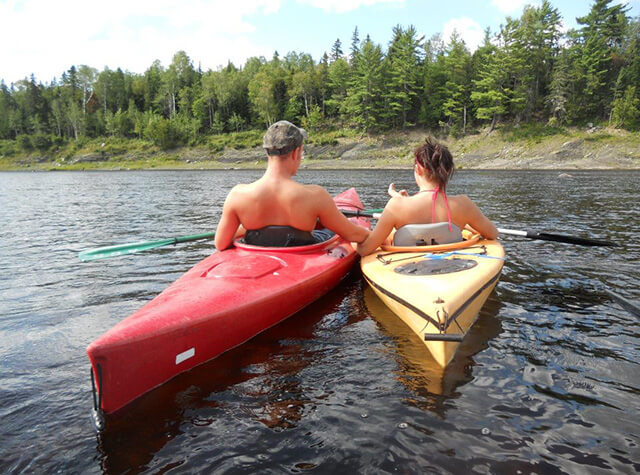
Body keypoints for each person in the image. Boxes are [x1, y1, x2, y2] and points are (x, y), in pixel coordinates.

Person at [215, 120, 370, 250]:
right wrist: (374, 235)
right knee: (332, 231)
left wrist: (249, 228)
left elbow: (220, 244)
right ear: (296, 153)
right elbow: (354, 235)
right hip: (302, 257)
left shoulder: (237, 195)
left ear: (267, 152)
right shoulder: (315, 196)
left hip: (258, 255)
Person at [356, 137, 498, 256]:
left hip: (408, 271)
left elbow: (365, 250)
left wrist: (363, 235)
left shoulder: (396, 206)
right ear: (448, 172)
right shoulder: (464, 204)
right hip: (452, 267)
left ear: (417, 169)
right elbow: (492, 233)